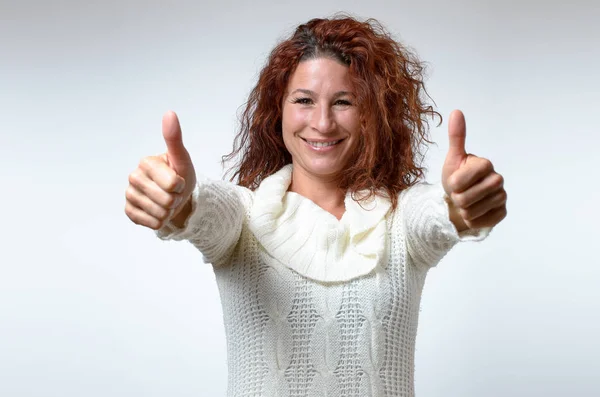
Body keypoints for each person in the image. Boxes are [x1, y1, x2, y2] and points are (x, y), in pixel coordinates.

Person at [125, 15, 507, 397]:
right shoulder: (244, 216)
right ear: (280, 110)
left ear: (372, 114)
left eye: (343, 102)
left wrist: (463, 205)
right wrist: (175, 200)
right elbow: (201, 210)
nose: (322, 123)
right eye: (304, 101)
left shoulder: (401, 219)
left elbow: (439, 216)